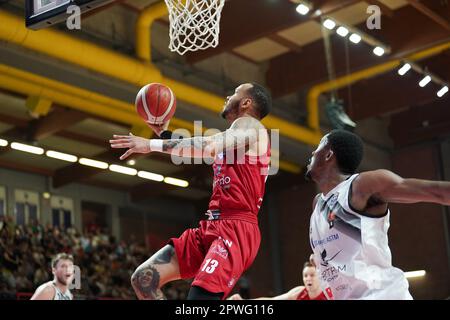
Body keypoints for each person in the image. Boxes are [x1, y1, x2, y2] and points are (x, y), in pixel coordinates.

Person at [110, 83, 272, 300]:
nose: (227, 95)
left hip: (236, 229)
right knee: (144, 278)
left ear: (246, 102)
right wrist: (163, 134)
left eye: (234, 92)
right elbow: (196, 149)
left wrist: (151, 144)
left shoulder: (251, 126)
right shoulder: (233, 139)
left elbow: (208, 146)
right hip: (213, 225)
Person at [305, 129, 450, 300]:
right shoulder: (317, 204)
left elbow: (437, 192)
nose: (313, 152)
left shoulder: (361, 187)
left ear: (329, 155)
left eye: (319, 146)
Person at [228, 259, 328, 300]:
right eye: (305, 276)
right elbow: (271, 300)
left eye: (312, 275)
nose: (308, 279)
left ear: (320, 276)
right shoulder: (300, 292)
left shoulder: (330, 294)